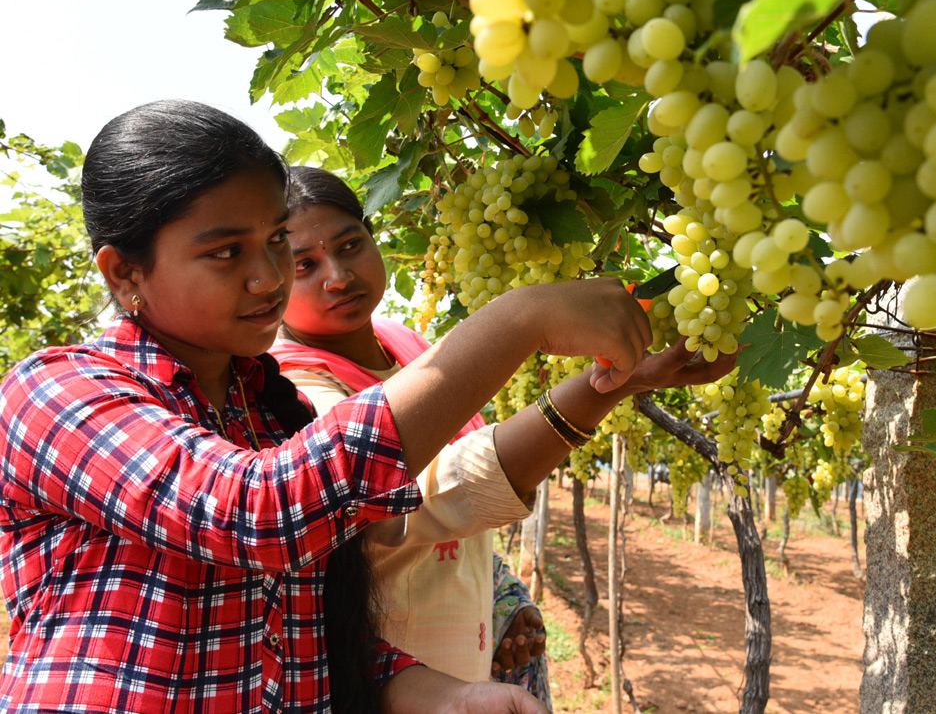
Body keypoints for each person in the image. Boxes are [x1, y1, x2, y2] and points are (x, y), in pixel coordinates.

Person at [0, 101, 724, 714]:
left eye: (276, 241)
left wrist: (441, 694)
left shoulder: (267, 413)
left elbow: (302, 631)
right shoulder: (58, 394)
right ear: (124, 271)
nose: (269, 277)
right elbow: (259, 513)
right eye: (226, 253)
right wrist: (515, 321)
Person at [270, 166, 737, 707]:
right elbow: (411, 494)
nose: (337, 275)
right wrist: (565, 359)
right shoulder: (288, 386)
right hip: (384, 690)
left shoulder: (411, 348)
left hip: (460, 677)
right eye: (305, 264)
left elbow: (458, 521)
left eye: (351, 245)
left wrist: (500, 597)